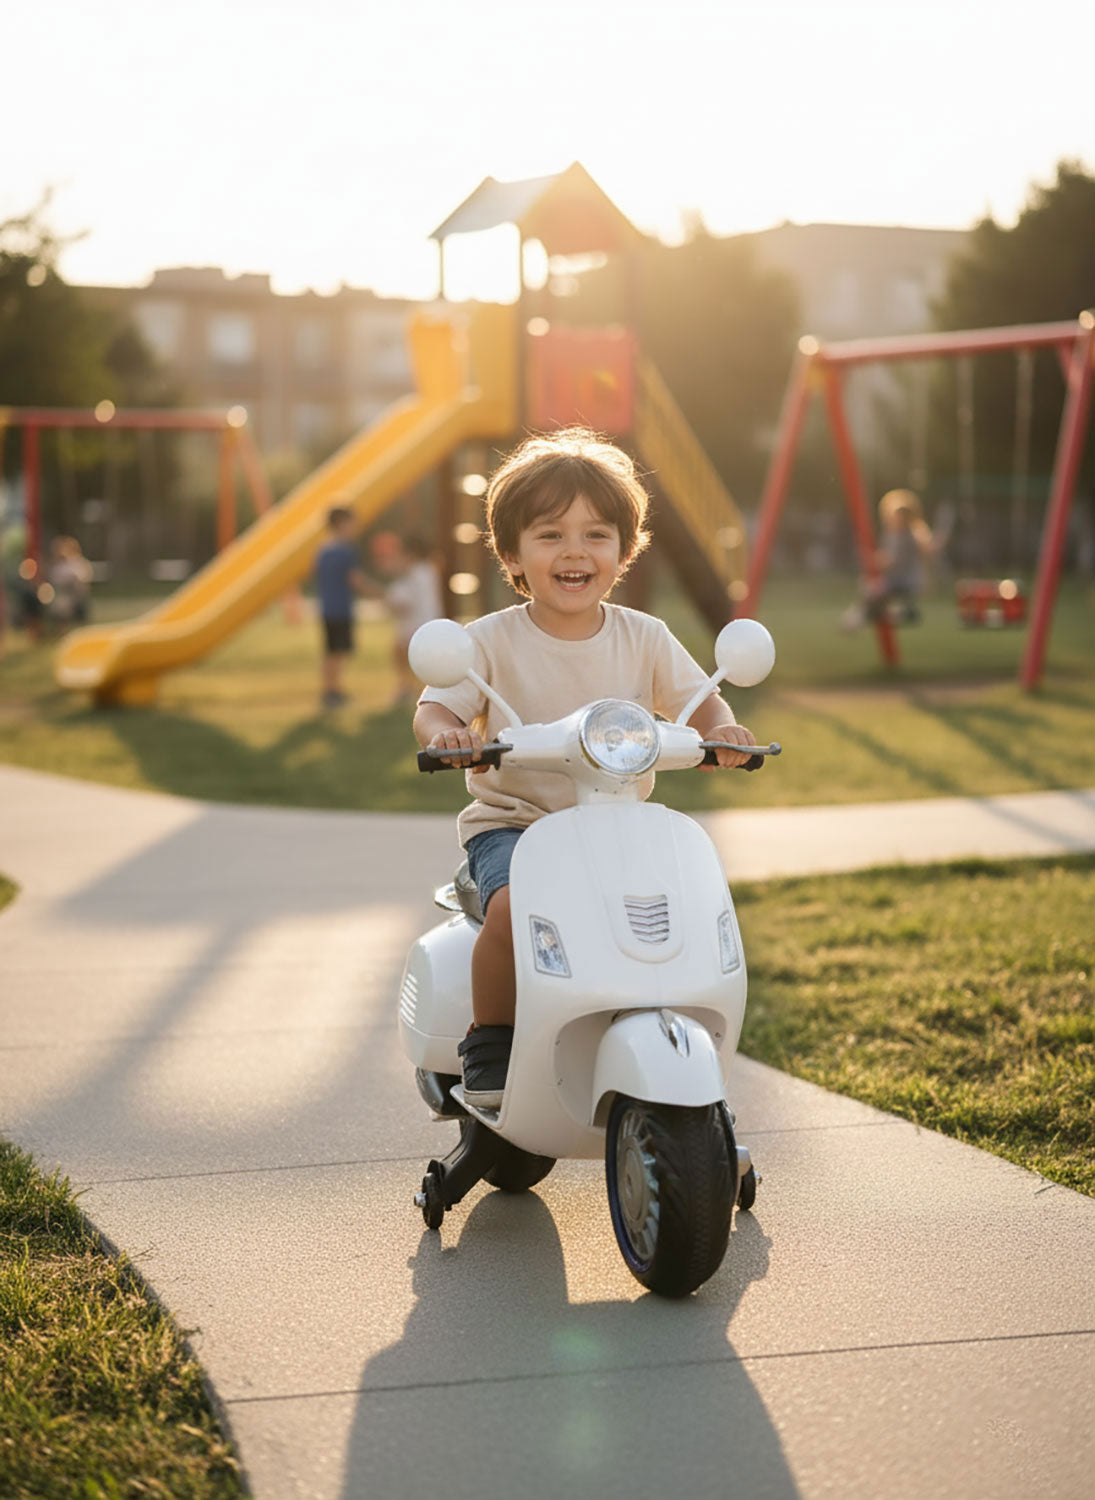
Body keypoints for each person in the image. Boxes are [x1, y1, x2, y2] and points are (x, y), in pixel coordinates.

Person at [412, 428, 757, 1108]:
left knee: (677, 907)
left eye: (596, 534)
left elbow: (699, 700)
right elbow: (433, 707)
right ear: (511, 553)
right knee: (516, 908)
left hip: (615, 826)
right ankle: (493, 1034)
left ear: (624, 551)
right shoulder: (485, 642)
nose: (574, 551)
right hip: (516, 823)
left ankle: (662, 1022)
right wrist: (448, 733)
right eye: (549, 535)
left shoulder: (645, 636)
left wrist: (721, 732)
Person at [842, 488, 939, 630]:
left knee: (872, 591)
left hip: (904, 580)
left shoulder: (909, 535)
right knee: (872, 594)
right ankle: (891, 613)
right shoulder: (895, 534)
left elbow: (893, 560)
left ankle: (860, 618)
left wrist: (872, 561)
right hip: (899, 579)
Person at [370, 532, 443, 702]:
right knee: (407, 656)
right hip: (420, 625)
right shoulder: (424, 571)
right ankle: (410, 687)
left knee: (403, 654)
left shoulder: (417, 573)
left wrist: (372, 590)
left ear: (411, 554)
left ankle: (408, 687)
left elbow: (403, 603)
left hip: (418, 627)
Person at [315, 506, 368, 709]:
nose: (354, 527)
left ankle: (332, 689)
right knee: (337, 652)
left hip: (328, 608)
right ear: (341, 523)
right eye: (351, 523)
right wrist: (380, 594)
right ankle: (332, 692)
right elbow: (355, 580)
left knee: (331, 652)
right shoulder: (345, 551)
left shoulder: (324, 550)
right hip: (340, 610)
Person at [48, 535, 93, 629]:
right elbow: (54, 580)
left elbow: (83, 581)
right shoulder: (59, 565)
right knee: (61, 602)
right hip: (62, 594)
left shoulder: (80, 564)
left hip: (76, 596)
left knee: (63, 603)